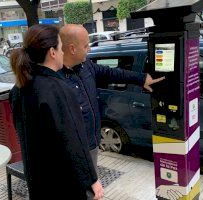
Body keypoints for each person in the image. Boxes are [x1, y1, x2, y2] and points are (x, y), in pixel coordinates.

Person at [9, 24, 103, 200]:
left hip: (37, 178)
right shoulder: (58, 89)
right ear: (52, 52)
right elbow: (73, 139)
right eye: (60, 48)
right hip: (62, 181)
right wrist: (92, 179)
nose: (62, 53)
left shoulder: (19, 87)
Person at [59, 24, 165, 172]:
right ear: (72, 49)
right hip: (76, 149)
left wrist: (141, 78)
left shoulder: (86, 66)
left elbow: (112, 73)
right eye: (85, 46)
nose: (89, 49)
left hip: (93, 142)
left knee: (91, 184)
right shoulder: (56, 80)